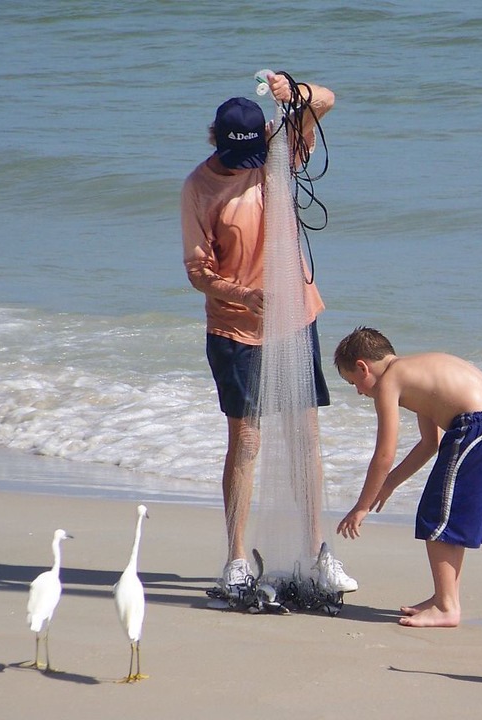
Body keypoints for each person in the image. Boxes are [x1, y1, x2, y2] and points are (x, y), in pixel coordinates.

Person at [181, 71, 355, 597]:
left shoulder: (278, 152)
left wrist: (290, 89)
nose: (247, 166)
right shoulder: (200, 187)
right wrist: (244, 295)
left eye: (252, 153)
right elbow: (196, 269)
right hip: (236, 327)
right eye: (237, 157)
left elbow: (327, 99)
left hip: (295, 317)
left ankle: (317, 552)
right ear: (217, 142)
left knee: (305, 436)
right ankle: (236, 559)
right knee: (247, 439)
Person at [333, 327, 482, 627]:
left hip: (475, 426)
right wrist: (389, 483)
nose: (358, 391)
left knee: (435, 517)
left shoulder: (391, 380)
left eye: (354, 382)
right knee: (449, 518)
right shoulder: (415, 370)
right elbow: (429, 444)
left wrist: (361, 506)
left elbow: (384, 453)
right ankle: (445, 598)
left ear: (363, 366)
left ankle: (446, 607)